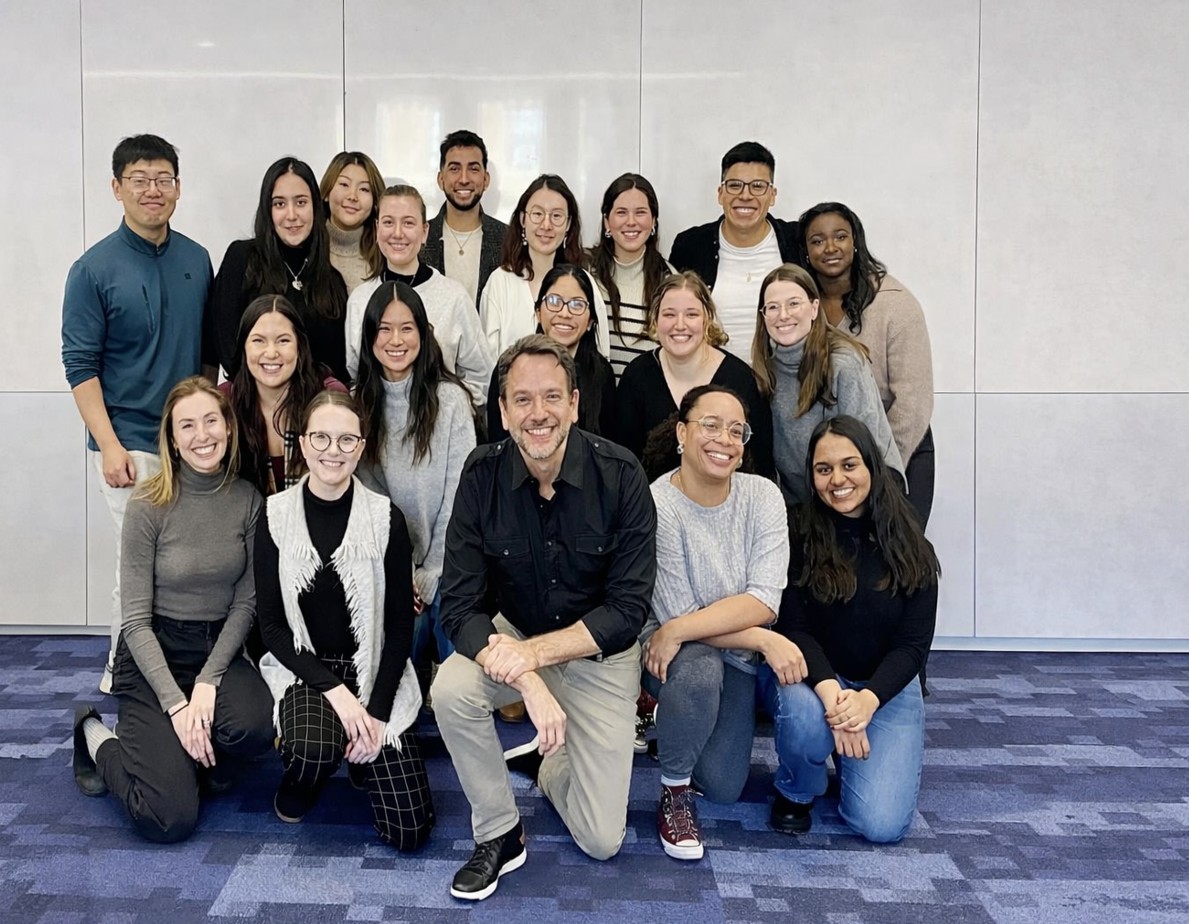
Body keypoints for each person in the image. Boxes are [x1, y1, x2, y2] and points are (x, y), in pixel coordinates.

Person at [432, 335, 656, 900]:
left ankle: (546, 764)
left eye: (552, 397)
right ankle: (500, 834)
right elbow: (458, 605)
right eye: (523, 400)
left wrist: (533, 657)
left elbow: (628, 610)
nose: (539, 414)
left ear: (575, 404)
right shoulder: (481, 476)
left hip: (598, 653)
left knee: (603, 839)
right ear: (503, 410)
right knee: (451, 689)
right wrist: (525, 674)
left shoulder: (621, 474)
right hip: (516, 635)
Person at [71, 377, 273, 842]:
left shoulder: (248, 501)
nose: (202, 435)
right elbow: (136, 620)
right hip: (152, 653)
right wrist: (177, 705)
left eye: (210, 421)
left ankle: (190, 753)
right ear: (173, 439)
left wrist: (208, 679)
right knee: (169, 818)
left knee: (254, 728)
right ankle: (94, 736)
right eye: (187, 426)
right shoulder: (148, 503)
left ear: (228, 427)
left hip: (214, 647)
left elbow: (246, 602)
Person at [61, 133, 213, 693]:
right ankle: (123, 674)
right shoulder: (92, 269)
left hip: (189, 442)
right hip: (127, 442)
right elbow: (80, 366)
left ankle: (159, 668)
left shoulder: (197, 258)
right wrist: (108, 445)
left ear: (178, 187)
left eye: (163, 179)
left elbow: (208, 357)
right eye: (140, 180)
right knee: (141, 570)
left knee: (181, 567)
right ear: (116, 188)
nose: (153, 190)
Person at [255, 391, 435, 851]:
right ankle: (304, 777)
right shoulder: (274, 515)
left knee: (410, 830)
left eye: (345, 440)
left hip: (372, 667)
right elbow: (272, 628)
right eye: (320, 437)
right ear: (302, 441)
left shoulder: (385, 518)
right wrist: (339, 696)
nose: (332, 450)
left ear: (361, 446)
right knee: (314, 746)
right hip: (307, 671)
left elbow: (398, 630)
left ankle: (360, 756)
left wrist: (374, 714)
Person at [761, 416, 940, 843]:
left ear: (872, 468)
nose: (837, 479)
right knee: (806, 719)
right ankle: (798, 790)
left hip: (883, 688)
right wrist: (834, 697)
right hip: (813, 678)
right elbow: (794, 628)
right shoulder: (797, 531)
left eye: (849, 465)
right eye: (824, 470)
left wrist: (867, 701)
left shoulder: (911, 542)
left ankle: (847, 754)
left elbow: (913, 646)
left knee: (881, 826)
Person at [640, 385, 796, 860]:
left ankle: (675, 727)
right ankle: (674, 791)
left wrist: (748, 630)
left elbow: (766, 599)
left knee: (726, 786)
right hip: (670, 651)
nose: (724, 439)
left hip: (720, 648)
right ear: (682, 433)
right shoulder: (657, 504)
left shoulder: (763, 496)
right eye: (711, 425)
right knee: (701, 669)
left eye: (736, 430)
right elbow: (674, 616)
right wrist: (761, 640)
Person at [354, 281, 477, 673]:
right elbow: (370, 502)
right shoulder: (359, 405)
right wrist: (402, 573)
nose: (396, 339)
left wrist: (431, 575)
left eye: (407, 328)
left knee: (454, 635)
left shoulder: (451, 401)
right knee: (402, 638)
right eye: (384, 329)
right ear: (370, 336)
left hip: (448, 563)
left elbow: (460, 497)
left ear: (423, 334)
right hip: (390, 566)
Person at [801, 202, 935, 524]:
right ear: (805, 251)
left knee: (898, 567)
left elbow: (913, 404)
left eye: (840, 236)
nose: (830, 247)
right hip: (833, 473)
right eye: (817, 240)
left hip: (899, 457)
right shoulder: (801, 307)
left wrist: (875, 473)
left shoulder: (895, 303)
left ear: (856, 241)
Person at [752, 264, 903, 504]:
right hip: (802, 506)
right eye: (773, 307)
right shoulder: (764, 371)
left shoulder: (845, 363)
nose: (783, 315)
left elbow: (864, 454)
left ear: (814, 308)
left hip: (860, 498)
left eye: (793, 304)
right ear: (763, 316)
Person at [345, 185, 494, 408]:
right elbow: (356, 376)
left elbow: (480, 377)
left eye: (408, 223)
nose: (397, 233)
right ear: (376, 229)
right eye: (388, 222)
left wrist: (444, 413)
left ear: (424, 232)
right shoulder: (360, 299)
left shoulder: (453, 297)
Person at [616, 271, 774, 480]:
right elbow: (621, 464)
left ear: (707, 319)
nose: (679, 325)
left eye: (691, 314)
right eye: (669, 314)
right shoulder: (637, 376)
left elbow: (761, 467)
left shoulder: (741, 380)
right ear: (655, 319)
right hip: (651, 506)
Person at [208, 157, 349, 383]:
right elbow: (226, 344)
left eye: (301, 202)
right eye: (280, 204)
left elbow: (336, 367)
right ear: (268, 210)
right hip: (251, 405)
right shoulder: (242, 258)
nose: (291, 215)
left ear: (315, 207)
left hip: (313, 409)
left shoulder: (332, 281)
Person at [669, 141, 802, 360]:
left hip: (786, 384)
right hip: (712, 384)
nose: (746, 195)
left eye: (758, 186)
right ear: (720, 193)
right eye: (734, 185)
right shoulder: (690, 245)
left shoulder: (797, 240)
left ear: (773, 195)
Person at [222, 295, 348, 498]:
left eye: (283, 341)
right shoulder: (224, 402)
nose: (271, 353)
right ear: (243, 347)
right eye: (258, 341)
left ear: (300, 345)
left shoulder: (329, 398)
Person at [479, 174, 610, 358]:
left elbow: (600, 356)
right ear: (523, 220)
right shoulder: (500, 283)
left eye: (556, 216)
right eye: (538, 214)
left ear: (568, 224)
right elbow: (487, 364)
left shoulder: (584, 282)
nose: (546, 225)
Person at [486, 265, 615, 440]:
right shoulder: (510, 366)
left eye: (577, 304)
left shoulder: (602, 373)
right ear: (538, 312)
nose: (564, 313)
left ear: (591, 320)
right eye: (554, 301)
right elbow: (497, 443)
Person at [585, 173, 671, 377]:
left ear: (653, 221)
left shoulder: (669, 281)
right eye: (621, 212)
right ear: (607, 221)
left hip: (645, 403)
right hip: (593, 400)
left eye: (640, 212)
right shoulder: (584, 273)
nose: (631, 222)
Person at [422, 130, 509, 307]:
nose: (463, 179)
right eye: (454, 169)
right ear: (440, 179)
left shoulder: (507, 238)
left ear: (485, 179)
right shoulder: (419, 238)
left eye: (473, 169)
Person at [319, 151, 385, 294]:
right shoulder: (306, 245)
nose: (353, 196)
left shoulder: (385, 252)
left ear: (375, 201)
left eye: (364, 189)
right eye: (344, 184)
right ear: (326, 192)